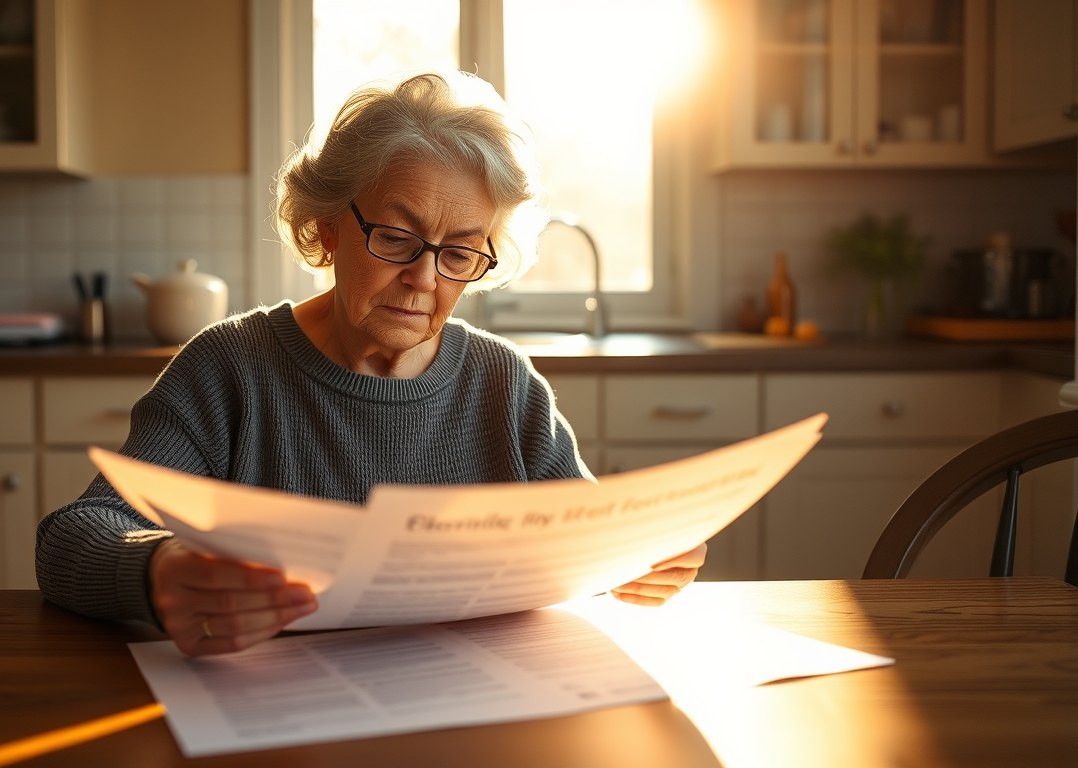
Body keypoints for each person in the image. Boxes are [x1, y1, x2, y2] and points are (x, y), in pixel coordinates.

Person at [36, 71, 706, 657]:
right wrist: (157, 569)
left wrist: (639, 555)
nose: (423, 278)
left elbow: (588, 539)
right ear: (327, 228)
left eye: (460, 253)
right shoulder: (230, 369)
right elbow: (74, 537)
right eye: (395, 237)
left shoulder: (506, 384)